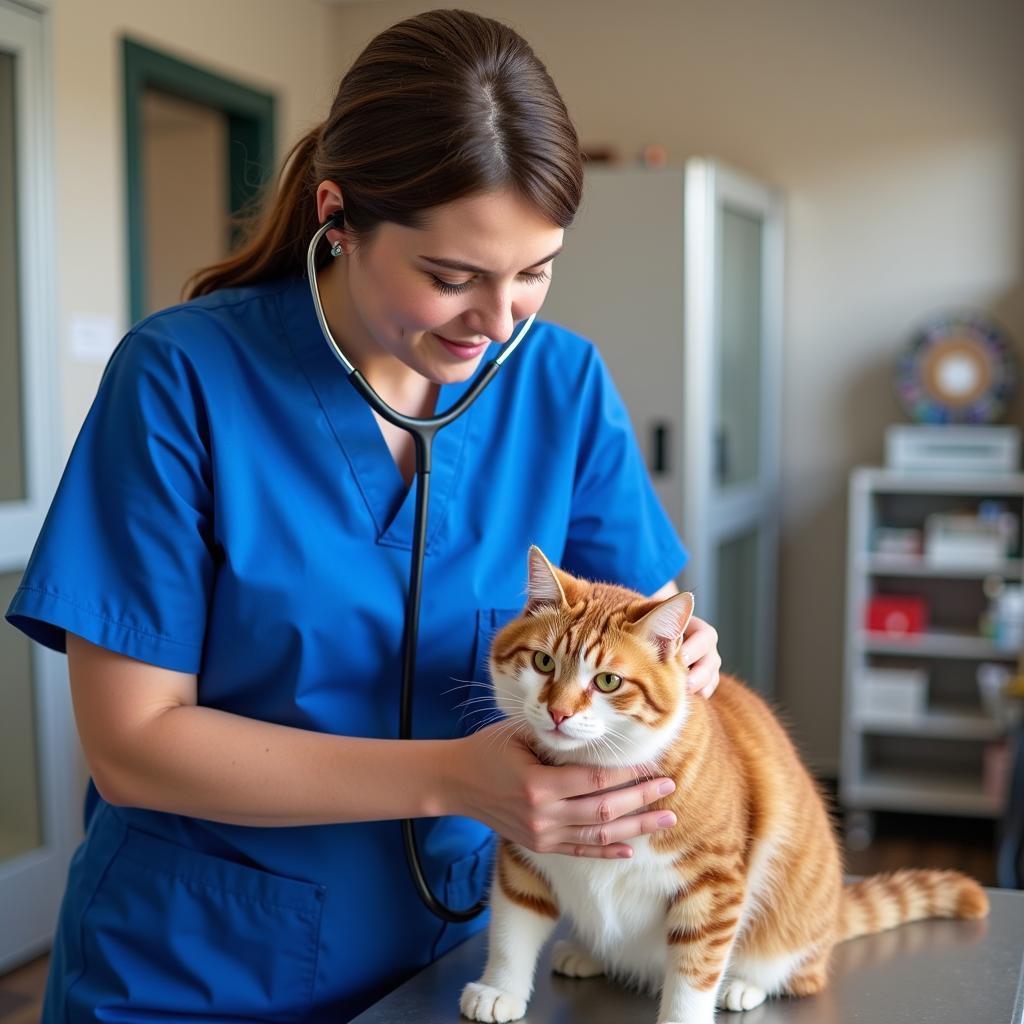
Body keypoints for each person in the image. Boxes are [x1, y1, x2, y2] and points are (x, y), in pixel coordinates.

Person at [6, 9, 722, 1022]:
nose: (498, 320)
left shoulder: (560, 383)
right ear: (337, 215)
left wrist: (689, 655)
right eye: (451, 276)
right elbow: (130, 744)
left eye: (534, 272)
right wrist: (453, 778)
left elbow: (642, 619)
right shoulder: (181, 379)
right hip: (196, 969)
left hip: (459, 958)